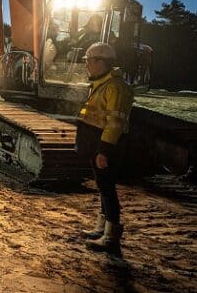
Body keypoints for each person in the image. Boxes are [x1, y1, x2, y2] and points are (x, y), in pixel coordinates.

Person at [76, 42, 134, 257]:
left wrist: (104, 151)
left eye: (89, 61)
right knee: (102, 186)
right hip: (97, 145)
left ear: (101, 62)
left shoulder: (115, 87)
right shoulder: (101, 83)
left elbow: (115, 123)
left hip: (106, 147)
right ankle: (101, 228)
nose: (87, 65)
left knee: (108, 188)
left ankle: (111, 236)